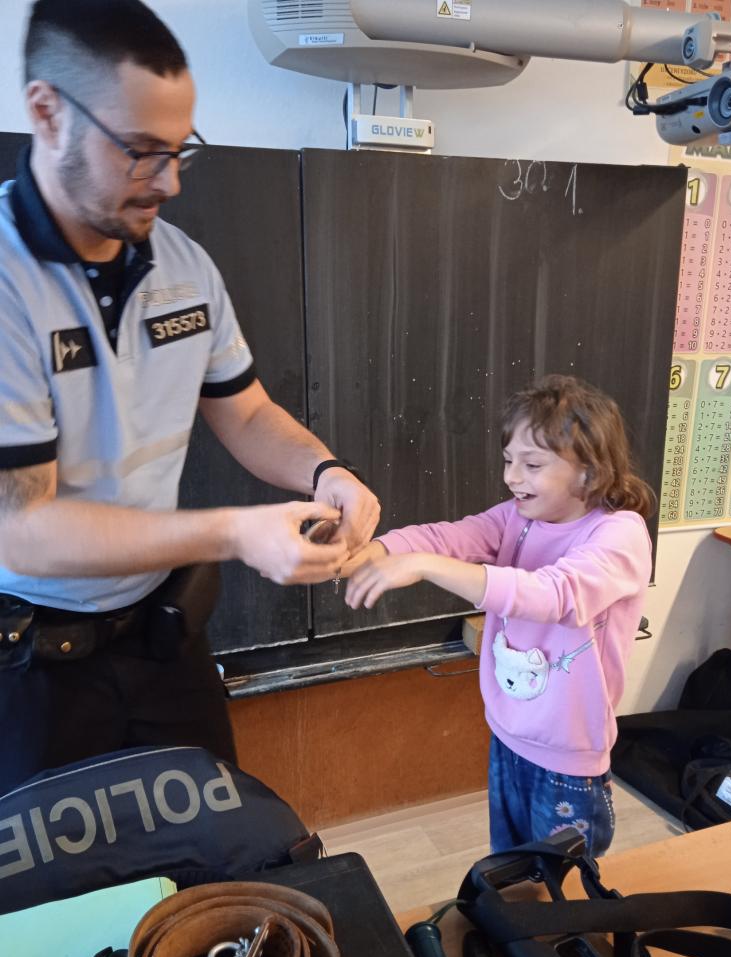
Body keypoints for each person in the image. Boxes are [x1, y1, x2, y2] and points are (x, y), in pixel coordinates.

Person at [0, 0, 379, 793]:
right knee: (52, 875)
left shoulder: (183, 265)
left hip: (162, 638)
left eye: (179, 152)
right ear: (47, 112)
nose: (168, 183)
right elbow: (21, 528)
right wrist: (234, 532)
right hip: (29, 667)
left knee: (219, 842)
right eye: (141, 152)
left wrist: (326, 473)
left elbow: (246, 411)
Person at [345, 375, 654, 857]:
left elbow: (556, 596)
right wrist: (378, 550)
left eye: (532, 464)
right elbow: (451, 537)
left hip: (569, 755)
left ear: (590, 473)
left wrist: (426, 566)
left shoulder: (619, 534)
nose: (512, 477)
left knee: (565, 878)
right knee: (511, 865)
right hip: (509, 735)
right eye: (509, 460)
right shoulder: (518, 517)